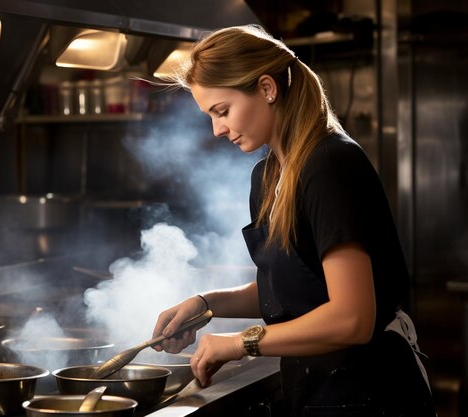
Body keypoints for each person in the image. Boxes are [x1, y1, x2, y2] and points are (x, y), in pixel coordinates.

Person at [151, 24, 437, 416]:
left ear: (267, 89)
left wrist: (240, 343)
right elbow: (298, 286)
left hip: (371, 392)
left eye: (222, 111)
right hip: (316, 390)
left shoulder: (330, 165)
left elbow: (352, 317)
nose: (217, 129)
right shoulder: (268, 176)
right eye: (210, 116)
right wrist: (207, 305)